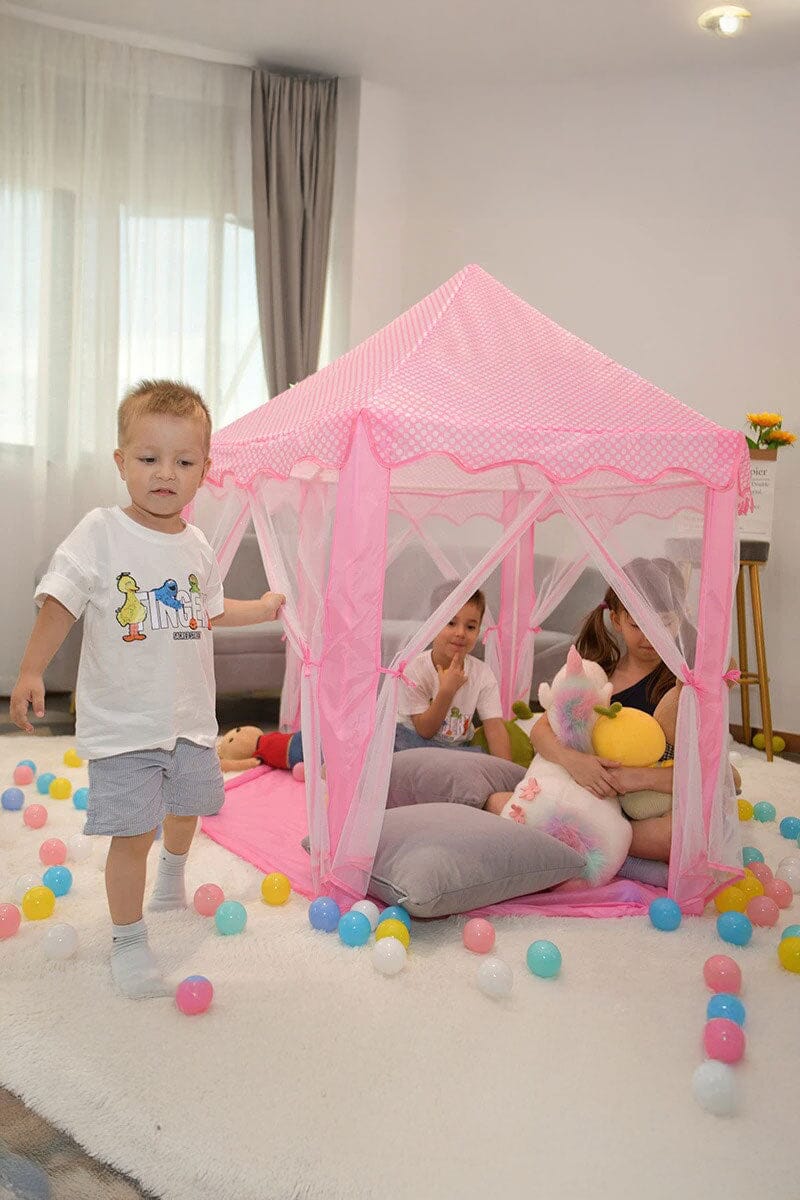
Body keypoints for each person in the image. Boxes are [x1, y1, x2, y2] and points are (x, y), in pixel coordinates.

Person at [9, 379, 286, 999]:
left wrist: (265, 607)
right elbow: (60, 601)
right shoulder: (101, 532)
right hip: (125, 726)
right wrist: (30, 670)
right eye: (149, 458)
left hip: (189, 721)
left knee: (188, 808)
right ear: (121, 462)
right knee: (133, 832)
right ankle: (129, 941)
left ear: (204, 472)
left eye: (184, 462)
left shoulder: (197, 545)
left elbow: (210, 611)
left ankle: (171, 879)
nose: (166, 473)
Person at [486, 559, 691, 860]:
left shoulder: (680, 686)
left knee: (675, 836)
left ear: (680, 621)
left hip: (638, 805)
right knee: (494, 802)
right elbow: (542, 730)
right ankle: (585, 842)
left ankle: (582, 841)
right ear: (617, 620)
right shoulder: (597, 671)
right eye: (638, 625)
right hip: (582, 790)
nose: (650, 636)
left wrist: (634, 778)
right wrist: (576, 763)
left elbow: (718, 777)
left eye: (664, 624)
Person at [395, 590, 512, 761]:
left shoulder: (482, 673)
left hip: (455, 750)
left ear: (478, 631)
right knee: (398, 748)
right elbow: (425, 731)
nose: (460, 633)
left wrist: (507, 771)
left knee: (478, 760)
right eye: (450, 623)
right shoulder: (415, 669)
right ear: (432, 625)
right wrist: (446, 691)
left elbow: (494, 727)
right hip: (413, 742)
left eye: (470, 627)